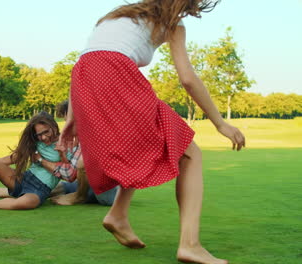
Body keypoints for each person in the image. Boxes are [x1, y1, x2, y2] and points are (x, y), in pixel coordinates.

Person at [59, 1, 245, 264]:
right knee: (190, 153)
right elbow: (188, 79)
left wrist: (72, 115)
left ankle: (118, 214)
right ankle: (189, 245)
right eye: (193, 6)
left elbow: (86, 61)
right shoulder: (174, 25)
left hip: (85, 79)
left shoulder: (114, 17)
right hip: (115, 74)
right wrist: (220, 123)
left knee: (141, 146)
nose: (194, 11)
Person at [0, 100, 119, 206]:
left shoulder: (91, 138)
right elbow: (20, 155)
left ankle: (79, 197)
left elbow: (69, 173)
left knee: (81, 163)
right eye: (66, 120)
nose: (67, 125)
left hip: (106, 194)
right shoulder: (70, 138)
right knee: (49, 188)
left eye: (72, 121)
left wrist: (40, 160)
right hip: (86, 183)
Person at [0, 111, 75, 210]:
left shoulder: (67, 143)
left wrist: (62, 154)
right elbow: (15, 157)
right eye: (39, 134)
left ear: (54, 126)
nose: (43, 137)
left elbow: (68, 173)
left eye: (46, 132)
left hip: (40, 189)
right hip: (23, 178)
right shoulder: (36, 142)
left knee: (27, 203)